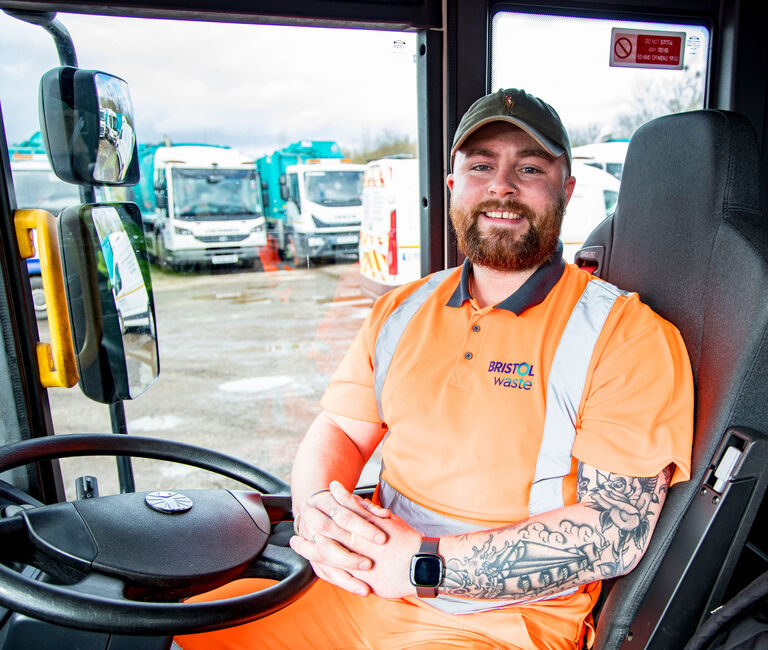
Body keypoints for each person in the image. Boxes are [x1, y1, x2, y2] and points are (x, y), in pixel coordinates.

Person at [176, 88, 694, 649]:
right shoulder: (401, 310)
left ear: (566, 190)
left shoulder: (627, 335)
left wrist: (423, 564)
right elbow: (341, 432)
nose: (502, 185)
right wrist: (317, 518)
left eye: (529, 167)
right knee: (188, 627)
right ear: (453, 189)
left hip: (499, 625)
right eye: (480, 166)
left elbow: (614, 531)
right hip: (362, 586)